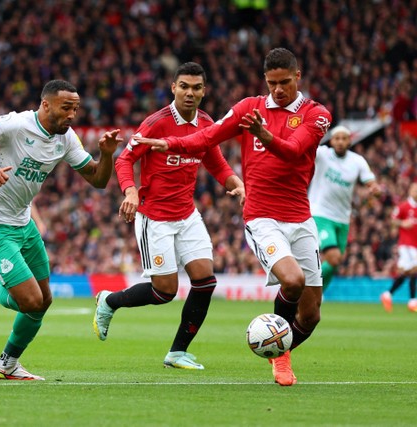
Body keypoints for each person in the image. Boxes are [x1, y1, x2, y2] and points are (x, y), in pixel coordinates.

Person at [136, 48, 332, 386]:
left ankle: (275, 345)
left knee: (311, 314)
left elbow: (293, 151)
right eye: (272, 83)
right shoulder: (249, 108)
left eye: (285, 82)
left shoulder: (316, 114)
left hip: (301, 218)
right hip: (262, 217)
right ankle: (281, 360)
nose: (278, 90)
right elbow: (207, 137)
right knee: (293, 281)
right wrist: (170, 144)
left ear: (298, 77)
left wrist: (263, 134)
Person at [0, 79, 123, 380]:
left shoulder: (65, 138)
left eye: (75, 109)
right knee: (30, 301)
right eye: (66, 108)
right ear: (46, 104)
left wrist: (107, 154)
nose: (72, 115)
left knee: (43, 301)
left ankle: (7, 363)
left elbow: (98, 181)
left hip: (23, 223)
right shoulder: (14, 124)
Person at [92, 62, 245, 370]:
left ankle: (177, 352)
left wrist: (237, 183)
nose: (190, 93)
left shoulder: (206, 122)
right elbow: (125, 159)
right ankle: (109, 301)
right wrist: (131, 192)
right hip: (155, 218)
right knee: (165, 292)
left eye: (196, 88)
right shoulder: (156, 123)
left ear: (204, 91)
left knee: (205, 282)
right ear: (173, 88)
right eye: (184, 86)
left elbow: (215, 162)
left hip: (187, 215)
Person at [308, 125, 381, 291]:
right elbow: (302, 149)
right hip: (320, 214)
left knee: (336, 262)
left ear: (349, 141)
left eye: (344, 138)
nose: (340, 142)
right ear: (332, 141)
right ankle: (308, 289)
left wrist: (375, 189)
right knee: (333, 258)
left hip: (342, 218)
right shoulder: (322, 154)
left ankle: (317, 294)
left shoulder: (357, 161)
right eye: (337, 138)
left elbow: (371, 182)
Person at [381, 182, 417, 313]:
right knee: (413, 269)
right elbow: (392, 219)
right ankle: (413, 301)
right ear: (410, 191)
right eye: (414, 189)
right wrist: (402, 223)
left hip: (415, 244)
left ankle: (388, 294)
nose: (416, 192)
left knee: (409, 271)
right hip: (406, 244)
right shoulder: (403, 206)